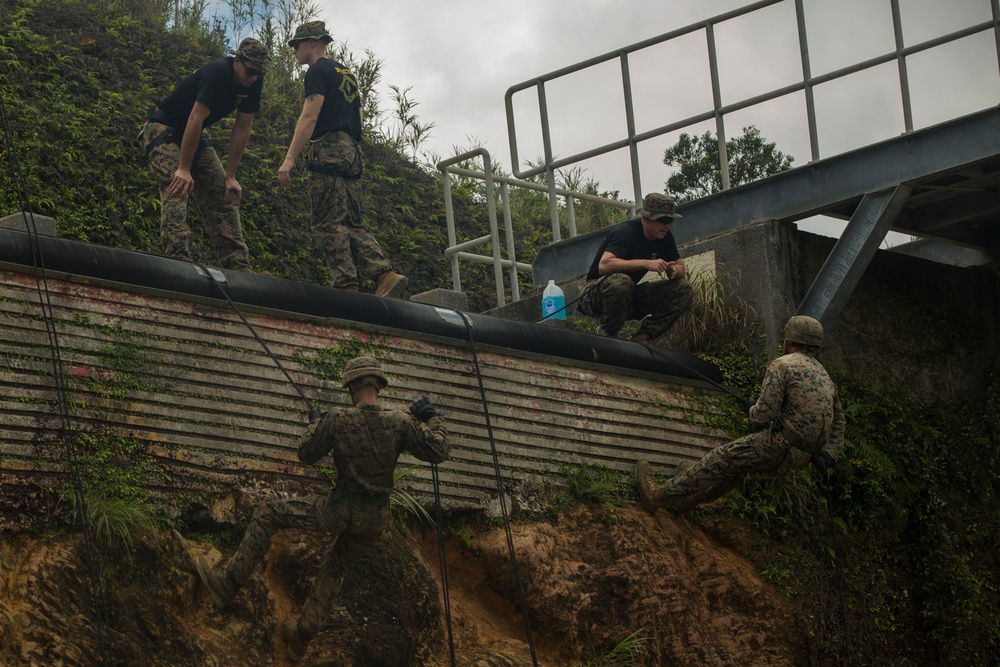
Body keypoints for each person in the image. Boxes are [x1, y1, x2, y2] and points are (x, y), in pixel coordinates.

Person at [195, 355, 449, 661]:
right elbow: (440, 450)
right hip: (377, 520)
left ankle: (228, 584)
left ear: (352, 385)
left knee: (267, 514)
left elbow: (306, 453)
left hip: (340, 508)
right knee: (336, 567)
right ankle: (300, 637)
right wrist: (431, 416)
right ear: (379, 386)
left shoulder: (338, 419)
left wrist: (315, 423)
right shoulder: (401, 422)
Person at [635, 315, 845, 514]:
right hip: (805, 455)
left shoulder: (783, 365)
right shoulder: (824, 375)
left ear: (788, 340)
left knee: (723, 456)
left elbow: (762, 416)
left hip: (781, 445)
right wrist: (829, 453)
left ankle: (657, 495)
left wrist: (752, 408)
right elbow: (839, 421)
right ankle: (688, 500)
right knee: (737, 467)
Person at [278, 21, 407, 298]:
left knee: (327, 221)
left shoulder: (317, 71)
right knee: (353, 222)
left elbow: (310, 116)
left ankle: (346, 284)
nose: (294, 50)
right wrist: (350, 148)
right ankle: (384, 273)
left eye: (297, 45)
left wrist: (289, 159)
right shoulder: (345, 73)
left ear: (313, 43)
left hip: (327, 149)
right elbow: (359, 116)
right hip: (352, 151)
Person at [142, 37, 269, 271]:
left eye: (259, 74)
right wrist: (183, 168)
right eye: (251, 71)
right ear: (237, 60)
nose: (253, 78)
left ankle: (238, 265)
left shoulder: (254, 81)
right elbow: (195, 117)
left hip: (192, 132)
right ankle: (178, 256)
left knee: (224, 192)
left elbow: (242, 128)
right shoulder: (218, 72)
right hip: (164, 127)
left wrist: (230, 175)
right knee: (177, 183)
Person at [577, 193, 694, 345]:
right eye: (662, 220)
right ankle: (610, 335)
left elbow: (681, 268)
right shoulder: (626, 233)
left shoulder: (665, 237)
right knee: (622, 281)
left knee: (684, 288)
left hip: (628, 295)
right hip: (595, 295)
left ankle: (643, 336)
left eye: (670, 220)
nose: (667, 225)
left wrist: (673, 271)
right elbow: (604, 265)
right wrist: (646, 263)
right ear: (646, 219)